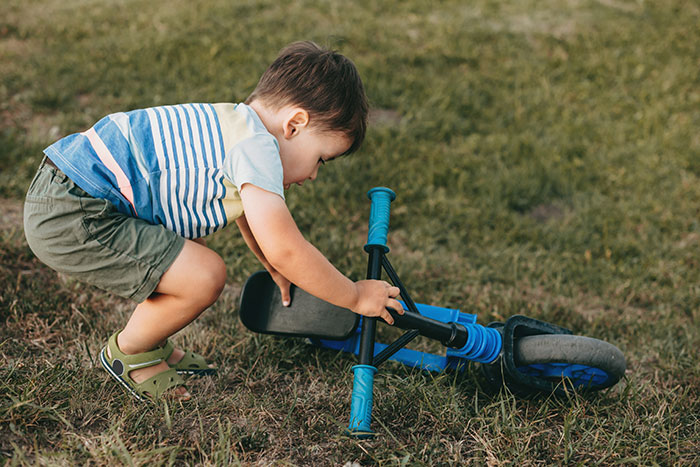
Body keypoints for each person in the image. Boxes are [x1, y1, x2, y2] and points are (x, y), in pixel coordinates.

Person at [23, 41, 404, 402]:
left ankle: (152, 340)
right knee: (203, 273)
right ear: (295, 124)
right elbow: (287, 246)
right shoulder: (257, 147)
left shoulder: (236, 124)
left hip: (70, 188)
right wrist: (354, 296)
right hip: (74, 211)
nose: (313, 176)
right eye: (321, 158)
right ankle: (131, 352)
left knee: (188, 254)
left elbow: (247, 215)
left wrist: (270, 264)